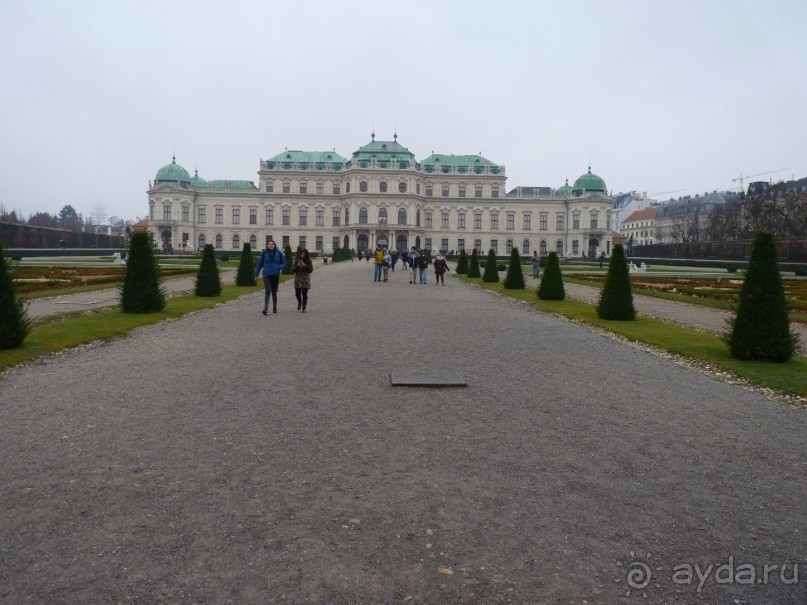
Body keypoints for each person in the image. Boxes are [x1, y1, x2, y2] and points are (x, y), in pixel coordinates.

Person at [254, 240, 286, 315]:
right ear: (267, 245)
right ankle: (266, 309)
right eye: (269, 244)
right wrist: (256, 275)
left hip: (275, 275)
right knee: (267, 291)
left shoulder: (279, 253)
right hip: (266, 275)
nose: (271, 245)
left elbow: (284, 263)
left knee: (274, 292)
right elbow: (259, 264)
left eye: (272, 244)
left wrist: (279, 267)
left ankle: (275, 308)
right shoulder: (264, 253)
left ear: (274, 245)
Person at [292, 248, 313, 312]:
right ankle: (299, 302)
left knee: (304, 294)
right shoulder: (297, 260)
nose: (303, 255)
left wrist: (305, 266)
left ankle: (304, 307)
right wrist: (297, 266)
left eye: (304, 254)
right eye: (302, 254)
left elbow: (311, 270)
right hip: (298, 279)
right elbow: (293, 269)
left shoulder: (309, 261)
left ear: (306, 255)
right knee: (297, 293)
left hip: (305, 279)